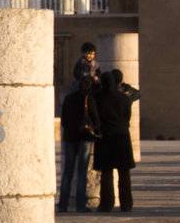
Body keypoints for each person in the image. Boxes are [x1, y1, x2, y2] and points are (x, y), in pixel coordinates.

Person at [94, 69, 135, 212]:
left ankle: (106, 203)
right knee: (124, 173)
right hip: (122, 137)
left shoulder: (98, 98)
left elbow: (95, 118)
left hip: (106, 138)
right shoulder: (124, 98)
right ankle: (126, 203)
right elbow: (127, 117)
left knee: (106, 173)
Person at [58, 75, 99, 213]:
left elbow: (63, 121)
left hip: (70, 137)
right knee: (82, 173)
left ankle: (62, 205)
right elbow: (96, 120)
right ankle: (80, 205)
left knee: (67, 172)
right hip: (84, 138)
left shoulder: (69, 99)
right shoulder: (89, 99)